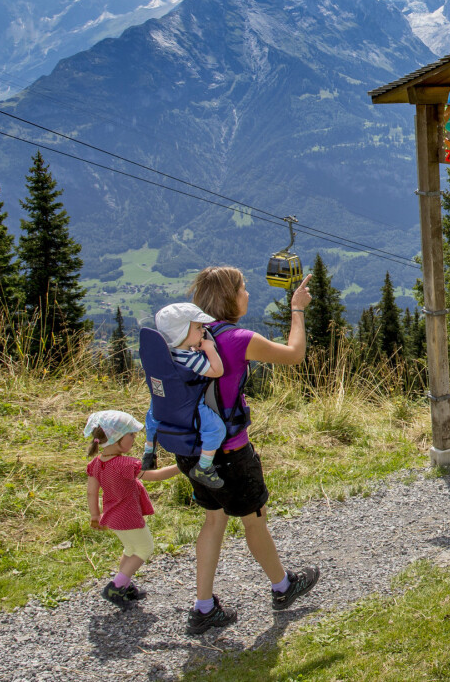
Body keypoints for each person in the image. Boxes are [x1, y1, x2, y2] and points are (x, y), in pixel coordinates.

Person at [182, 267, 321, 635]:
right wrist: (297, 309)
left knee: (213, 520)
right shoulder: (237, 338)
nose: (247, 293)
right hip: (230, 453)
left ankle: (204, 607)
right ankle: (283, 586)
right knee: (254, 518)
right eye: (242, 288)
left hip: (193, 450)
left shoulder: (189, 335)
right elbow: (294, 354)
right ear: (229, 297)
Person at [84, 410, 183, 607]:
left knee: (130, 548)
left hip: (112, 517)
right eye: (130, 435)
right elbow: (156, 476)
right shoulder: (125, 464)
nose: (134, 438)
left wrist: (95, 514)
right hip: (128, 516)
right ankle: (115, 587)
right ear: (116, 438)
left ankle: (125, 586)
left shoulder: (96, 464)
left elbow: (91, 493)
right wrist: (182, 466)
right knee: (145, 548)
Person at [145, 302, 227, 489]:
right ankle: (204, 467)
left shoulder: (164, 355)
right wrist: (209, 349)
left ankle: (149, 452)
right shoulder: (190, 358)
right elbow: (217, 371)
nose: (203, 331)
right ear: (180, 332)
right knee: (216, 429)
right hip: (189, 407)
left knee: (152, 417)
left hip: (164, 404)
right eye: (198, 328)